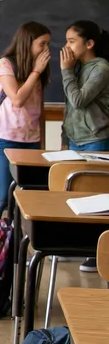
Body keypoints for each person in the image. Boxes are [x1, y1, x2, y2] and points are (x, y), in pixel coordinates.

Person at [0, 21, 51, 227]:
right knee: (1, 196)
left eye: (48, 44)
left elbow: (39, 108)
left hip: (32, 141)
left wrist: (42, 144)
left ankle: (17, 246)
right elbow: (18, 99)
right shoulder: (5, 64)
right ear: (27, 43)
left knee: (30, 197)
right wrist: (36, 72)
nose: (46, 50)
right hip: (4, 140)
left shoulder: (37, 69)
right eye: (42, 44)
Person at [60, 20, 109, 272]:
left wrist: (66, 71)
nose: (66, 47)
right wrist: (64, 136)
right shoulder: (77, 66)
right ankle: (76, 245)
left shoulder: (100, 68)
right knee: (74, 194)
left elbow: (78, 100)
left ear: (89, 43)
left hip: (95, 138)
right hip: (75, 137)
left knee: (94, 197)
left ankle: (95, 252)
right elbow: (69, 108)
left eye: (71, 41)